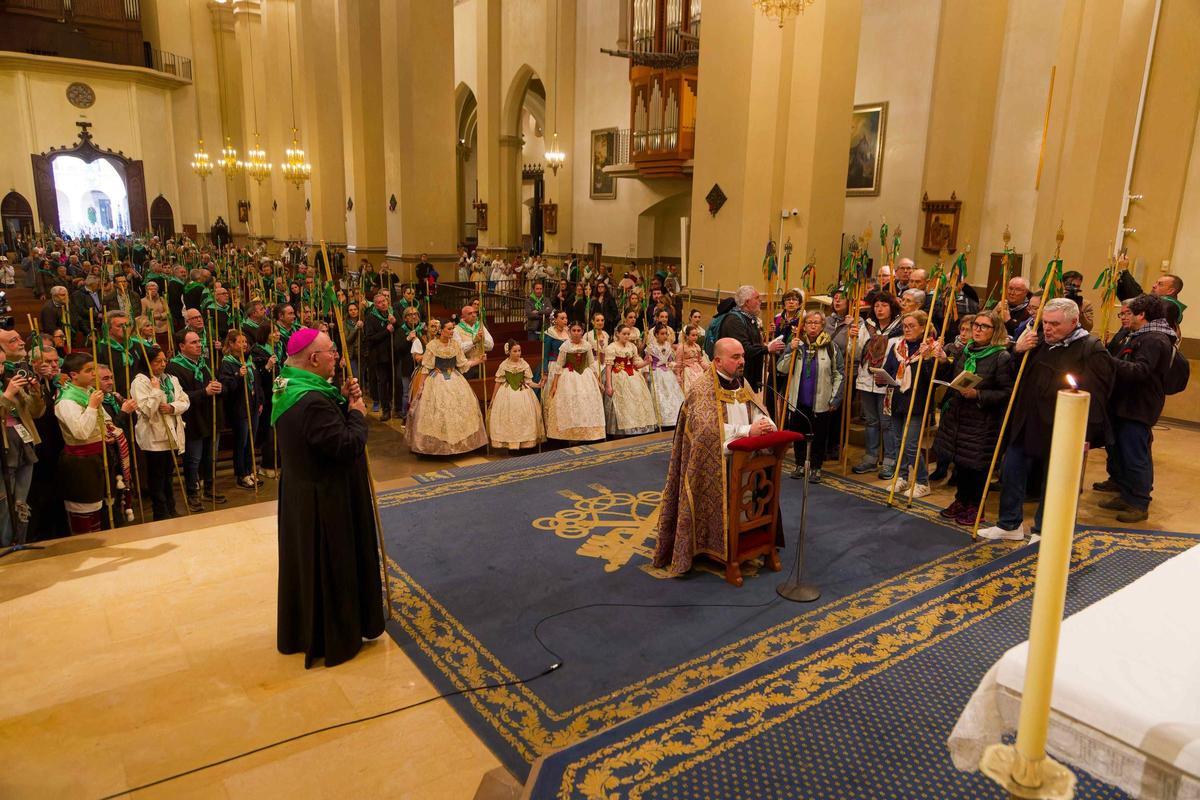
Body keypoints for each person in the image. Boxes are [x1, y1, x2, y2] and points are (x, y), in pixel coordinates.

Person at [271, 327, 384, 668]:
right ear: (314, 358)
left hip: (302, 493)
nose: (336, 356)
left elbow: (319, 434)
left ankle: (303, 629)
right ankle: (335, 635)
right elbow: (346, 444)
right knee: (331, 568)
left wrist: (342, 399)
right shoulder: (312, 402)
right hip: (325, 500)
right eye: (331, 351)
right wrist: (358, 413)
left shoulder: (289, 386)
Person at [978, 298, 1114, 541]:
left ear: (1074, 321)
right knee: (1011, 470)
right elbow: (1014, 376)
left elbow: (1099, 396)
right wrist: (1017, 351)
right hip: (1026, 419)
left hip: (1061, 426)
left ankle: (1044, 530)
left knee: (1054, 480)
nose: (1048, 328)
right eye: (1046, 322)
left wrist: (1086, 433)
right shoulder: (1037, 341)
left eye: (1055, 324)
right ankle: (1009, 524)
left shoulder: (1091, 349)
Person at [652, 338, 777, 577]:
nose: (742, 361)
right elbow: (707, 432)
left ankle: (743, 541)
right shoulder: (702, 389)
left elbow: (758, 411)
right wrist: (747, 431)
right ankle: (713, 546)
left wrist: (765, 424)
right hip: (717, 462)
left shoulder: (742, 383)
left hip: (746, 463)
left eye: (742, 356)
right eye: (735, 357)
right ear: (717, 361)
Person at [930, 310, 1013, 526]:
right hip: (959, 415)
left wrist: (979, 394)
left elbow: (1006, 392)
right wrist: (943, 362)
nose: (978, 329)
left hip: (981, 420)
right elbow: (952, 375)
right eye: (976, 324)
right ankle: (961, 500)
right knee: (961, 462)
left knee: (976, 466)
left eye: (984, 326)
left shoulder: (1001, 357)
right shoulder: (966, 351)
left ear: (995, 330)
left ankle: (976, 507)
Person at [1100, 294, 1176, 523]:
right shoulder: (1142, 335)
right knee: (1121, 451)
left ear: (1142, 315)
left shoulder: (1154, 340)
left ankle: (1139, 503)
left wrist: (1106, 360)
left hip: (1138, 406)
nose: (1126, 317)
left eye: (1130, 313)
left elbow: (1140, 371)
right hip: (1128, 403)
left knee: (1135, 455)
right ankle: (1126, 494)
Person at [54, 353, 116, 533]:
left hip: (98, 456)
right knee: (83, 509)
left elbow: (104, 419)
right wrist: (92, 406)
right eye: (89, 370)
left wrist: (109, 430)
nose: (94, 374)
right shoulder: (67, 400)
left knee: (98, 508)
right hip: (80, 461)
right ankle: (84, 544)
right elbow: (80, 433)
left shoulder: (88, 391)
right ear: (74, 375)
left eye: (94, 369)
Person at [406, 320, 487, 455]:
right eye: (449, 329)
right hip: (437, 379)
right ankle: (438, 446)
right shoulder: (432, 346)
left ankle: (459, 445)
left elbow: (462, 364)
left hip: (455, 379)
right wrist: (421, 386)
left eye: (452, 328)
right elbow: (426, 368)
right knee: (438, 411)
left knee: (460, 410)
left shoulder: (455, 345)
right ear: (441, 330)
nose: (452, 331)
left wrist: (479, 360)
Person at [166, 331, 226, 512]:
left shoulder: (205, 363)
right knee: (193, 459)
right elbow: (178, 397)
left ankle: (209, 488)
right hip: (192, 419)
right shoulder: (174, 367)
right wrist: (204, 392)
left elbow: (216, 384)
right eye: (193, 342)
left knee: (210, 456)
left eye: (199, 341)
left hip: (210, 416)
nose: (199, 345)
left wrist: (219, 387)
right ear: (181, 346)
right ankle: (193, 493)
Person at [881, 311, 939, 498]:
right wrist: (882, 377)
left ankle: (922, 481)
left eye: (911, 326)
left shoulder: (931, 348)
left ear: (922, 328)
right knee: (898, 442)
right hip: (897, 399)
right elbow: (889, 369)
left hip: (917, 402)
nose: (907, 329)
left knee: (911, 445)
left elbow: (932, 379)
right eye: (905, 326)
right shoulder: (898, 346)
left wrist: (927, 359)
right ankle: (902, 476)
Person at [130, 346, 188, 520]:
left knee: (169, 475)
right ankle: (160, 512)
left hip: (172, 432)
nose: (163, 364)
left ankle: (171, 507)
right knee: (157, 477)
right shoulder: (140, 382)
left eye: (164, 360)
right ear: (147, 362)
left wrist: (172, 407)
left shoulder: (171, 378)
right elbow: (146, 409)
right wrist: (155, 391)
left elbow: (184, 400)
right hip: (154, 436)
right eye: (157, 361)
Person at [0, 334, 46, 547]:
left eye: (3, 364)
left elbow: (36, 412)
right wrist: (6, 396)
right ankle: (5, 544)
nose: (2, 368)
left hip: (23, 443)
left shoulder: (8, 381)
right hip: (4, 448)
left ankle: (19, 542)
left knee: (21, 501)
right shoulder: (7, 388)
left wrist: (36, 393)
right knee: (3, 502)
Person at [849, 293, 902, 476]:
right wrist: (852, 339)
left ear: (892, 307)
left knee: (887, 423)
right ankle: (870, 458)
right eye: (877, 305)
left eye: (884, 305)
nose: (880, 309)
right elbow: (856, 354)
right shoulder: (866, 326)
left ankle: (890, 460)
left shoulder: (899, 329)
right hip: (866, 380)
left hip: (886, 382)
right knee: (871, 421)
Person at [545, 322, 606, 443]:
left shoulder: (587, 345)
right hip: (569, 378)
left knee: (585, 404)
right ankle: (571, 436)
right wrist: (554, 385)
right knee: (571, 404)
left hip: (586, 377)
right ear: (569, 332)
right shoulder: (565, 346)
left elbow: (591, 364)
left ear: (582, 332)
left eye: (579, 330)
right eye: (574, 330)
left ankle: (586, 434)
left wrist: (598, 381)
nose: (576, 333)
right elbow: (559, 366)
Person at [218, 329, 264, 490]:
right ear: (231, 344)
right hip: (239, 408)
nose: (244, 344)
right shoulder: (227, 363)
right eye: (240, 342)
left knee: (251, 440)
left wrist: (260, 401)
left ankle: (250, 470)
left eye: (245, 341)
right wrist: (238, 375)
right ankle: (241, 474)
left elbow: (257, 383)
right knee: (242, 442)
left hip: (253, 405)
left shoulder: (249, 360)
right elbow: (226, 387)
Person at [489, 341, 545, 451]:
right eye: (515, 351)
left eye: (519, 351)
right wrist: (493, 398)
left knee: (524, 416)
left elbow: (529, 382)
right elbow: (498, 381)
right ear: (509, 352)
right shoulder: (504, 365)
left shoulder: (524, 364)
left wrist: (538, 385)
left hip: (523, 393)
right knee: (508, 417)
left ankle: (525, 443)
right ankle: (511, 443)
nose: (518, 353)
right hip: (506, 393)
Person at [604, 325, 657, 437]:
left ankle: (636, 426)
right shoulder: (611, 348)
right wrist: (608, 385)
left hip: (633, 375)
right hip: (618, 376)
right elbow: (608, 367)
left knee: (637, 398)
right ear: (617, 334)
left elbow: (636, 364)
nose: (626, 336)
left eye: (628, 334)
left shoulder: (632, 346)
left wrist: (646, 362)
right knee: (623, 402)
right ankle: (623, 428)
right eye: (624, 334)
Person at [364, 291, 403, 421]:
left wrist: (395, 322)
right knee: (383, 382)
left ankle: (397, 409)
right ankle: (386, 410)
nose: (383, 304)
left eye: (384, 301)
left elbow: (401, 328)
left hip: (394, 353)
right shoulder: (371, 317)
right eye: (379, 302)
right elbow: (370, 338)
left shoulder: (393, 312)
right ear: (375, 305)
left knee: (397, 381)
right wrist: (386, 331)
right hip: (380, 356)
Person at [1116, 267, 1185, 327]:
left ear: (1170, 291)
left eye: (1160, 284)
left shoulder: (1169, 306)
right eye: (1156, 282)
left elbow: (1137, 299)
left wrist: (1124, 270)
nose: (1154, 286)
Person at [645, 324, 685, 429]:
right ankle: (660, 420)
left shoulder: (668, 345)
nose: (665, 336)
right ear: (656, 334)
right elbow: (647, 363)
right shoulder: (651, 347)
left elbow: (669, 361)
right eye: (662, 334)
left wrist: (676, 365)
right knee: (660, 395)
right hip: (656, 373)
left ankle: (674, 418)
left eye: (666, 334)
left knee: (672, 394)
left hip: (667, 373)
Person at [452, 303, 494, 380]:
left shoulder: (480, 326)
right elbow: (459, 350)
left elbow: (490, 346)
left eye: (474, 312)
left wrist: (483, 340)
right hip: (466, 366)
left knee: (480, 385)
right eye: (470, 313)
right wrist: (473, 342)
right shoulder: (456, 330)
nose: (474, 315)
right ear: (463, 317)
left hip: (481, 364)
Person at [675, 324, 710, 396]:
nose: (695, 337)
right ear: (687, 336)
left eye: (696, 335)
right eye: (693, 335)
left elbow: (700, 360)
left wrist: (707, 367)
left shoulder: (697, 346)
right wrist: (678, 375)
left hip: (698, 369)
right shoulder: (682, 347)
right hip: (687, 371)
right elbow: (678, 362)